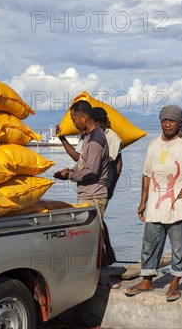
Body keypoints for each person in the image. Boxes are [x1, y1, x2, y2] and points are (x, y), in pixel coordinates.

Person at [124, 105, 182, 302]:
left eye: (172, 121)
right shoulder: (153, 144)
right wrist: (143, 201)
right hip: (155, 207)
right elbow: (147, 174)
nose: (167, 124)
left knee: (179, 247)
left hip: (179, 207)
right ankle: (147, 279)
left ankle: (175, 282)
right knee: (149, 245)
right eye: (164, 120)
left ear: (180, 122)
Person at [53, 100, 112, 260]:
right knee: (89, 238)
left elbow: (91, 172)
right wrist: (71, 170)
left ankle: (98, 278)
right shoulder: (88, 136)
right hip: (88, 194)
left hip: (93, 196)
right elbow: (83, 162)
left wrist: (69, 176)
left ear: (84, 117)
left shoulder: (94, 141)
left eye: (74, 119)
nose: (73, 123)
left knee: (92, 240)